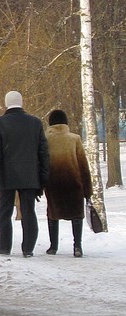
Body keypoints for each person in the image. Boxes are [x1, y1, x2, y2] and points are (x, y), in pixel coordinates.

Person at [0, 90, 49, 257]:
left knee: (4, 211)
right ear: (21, 102)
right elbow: (43, 152)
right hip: (30, 175)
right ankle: (28, 248)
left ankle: (4, 246)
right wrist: (43, 178)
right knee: (29, 211)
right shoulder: (35, 123)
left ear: (7, 103)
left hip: (6, 175)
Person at [43, 109, 92, 257]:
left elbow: (42, 163)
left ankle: (53, 247)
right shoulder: (74, 139)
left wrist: (39, 186)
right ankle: (77, 247)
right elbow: (83, 165)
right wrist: (88, 190)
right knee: (76, 215)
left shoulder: (45, 139)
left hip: (53, 184)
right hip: (73, 183)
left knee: (52, 214)